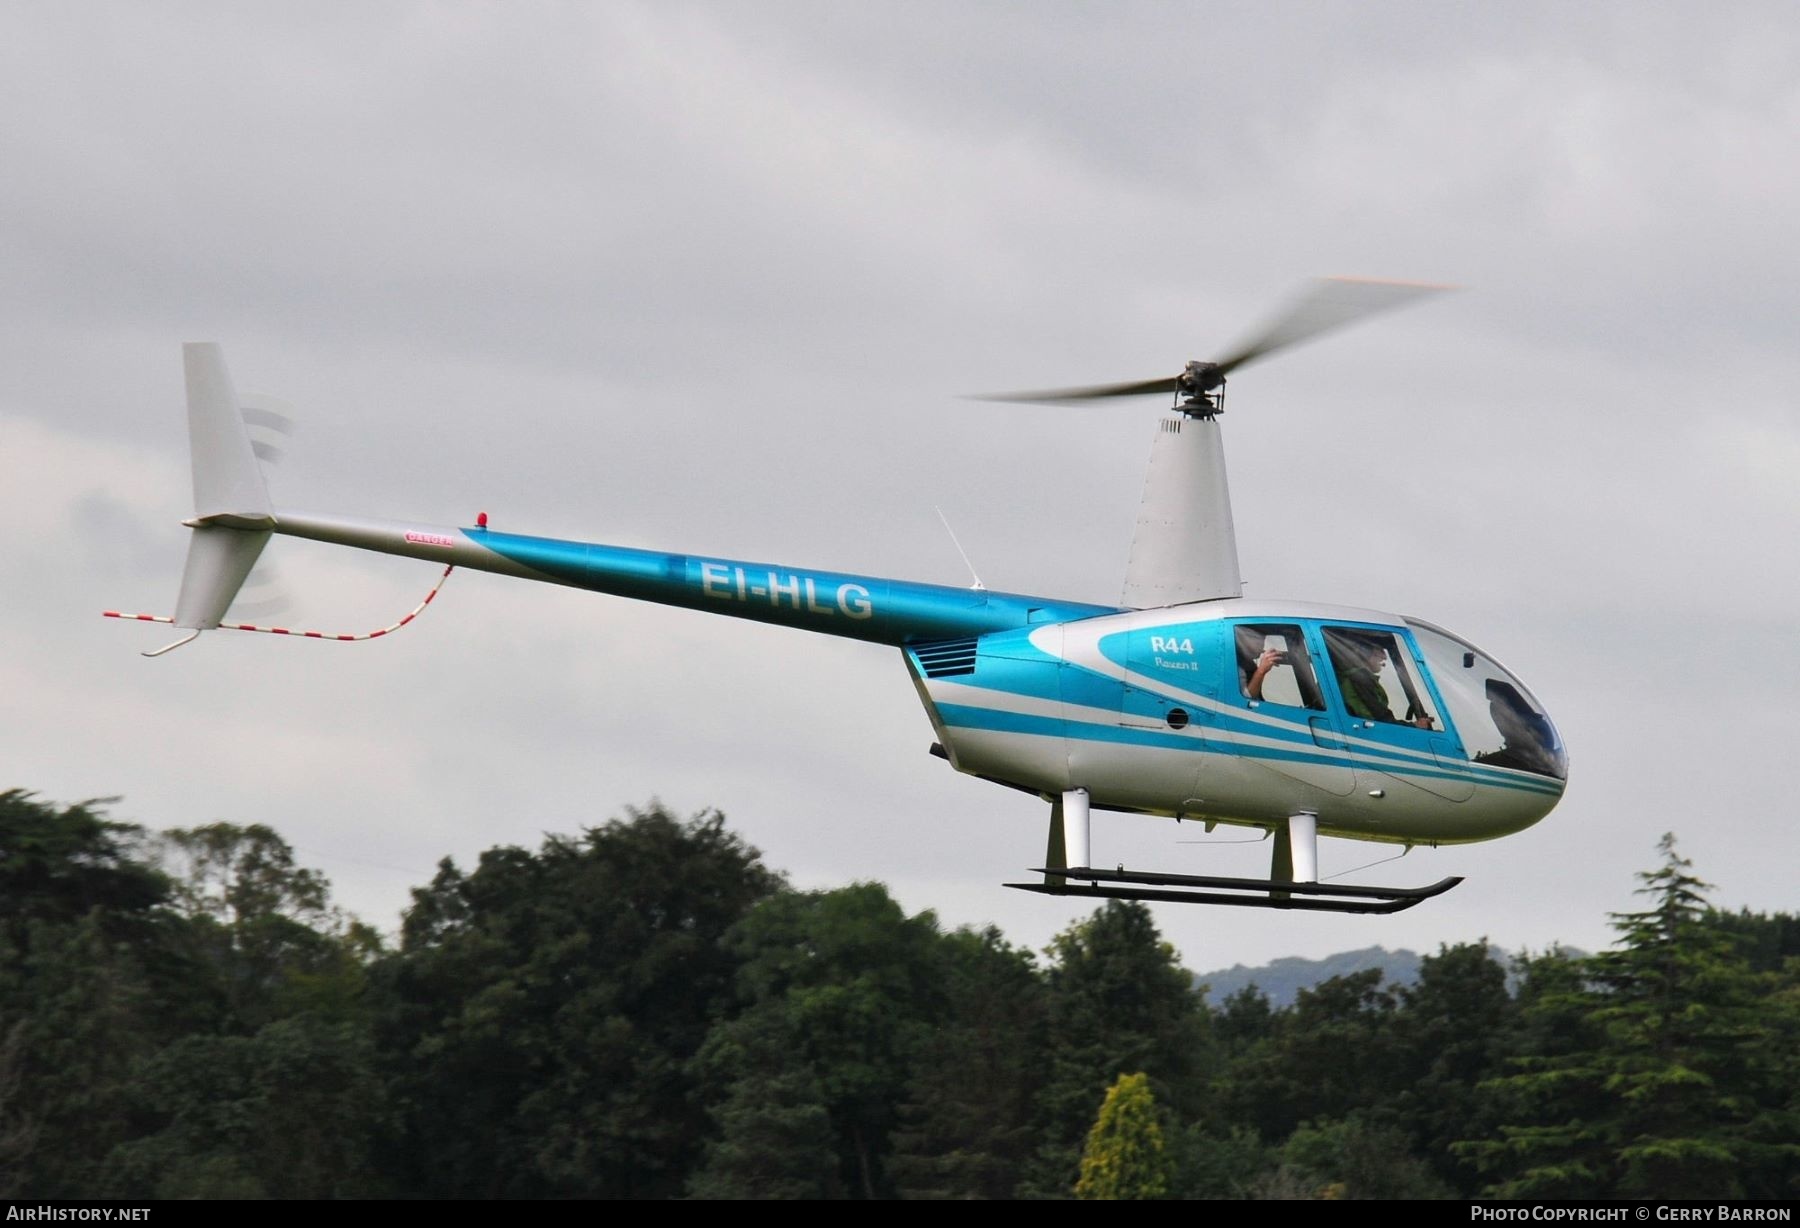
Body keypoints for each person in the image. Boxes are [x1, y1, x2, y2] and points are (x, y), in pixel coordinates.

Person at [1333, 634, 1432, 730]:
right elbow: (1381, 721)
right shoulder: (1360, 679)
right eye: (1379, 650)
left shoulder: (1349, 677)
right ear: (1364, 652)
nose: (1384, 657)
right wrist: (1414, 726)